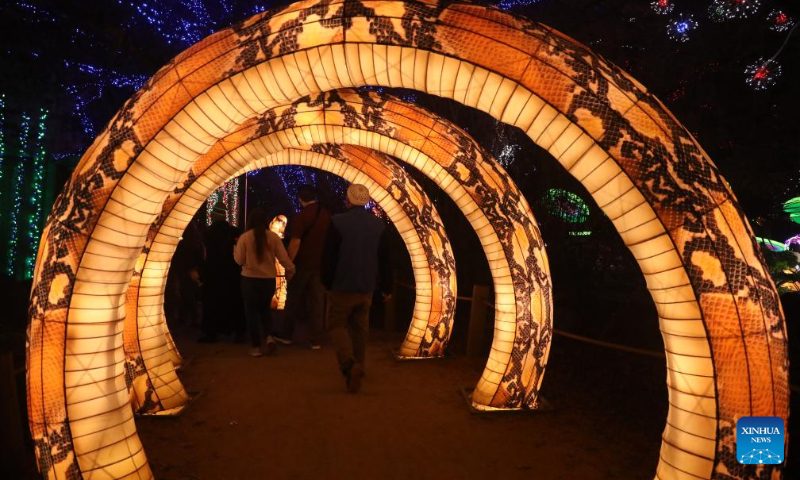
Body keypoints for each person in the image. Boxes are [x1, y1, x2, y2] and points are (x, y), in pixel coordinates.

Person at [321, 184, 393, 393]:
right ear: (367, 201)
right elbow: (385, 259)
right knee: (360, 329)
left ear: (348, 200)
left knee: (336, 325)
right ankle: (360, 366)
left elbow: (329, 257)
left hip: (342, 286)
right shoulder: (378, 226)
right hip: (367, 287)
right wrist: (387, 287)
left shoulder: (337, 223)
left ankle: (350, 365)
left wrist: (327, 281)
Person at [275, 185, 331, 349]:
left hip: (302, 264)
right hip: (320, 264)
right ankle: (316, 339)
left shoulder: (301, 217)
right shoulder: (326, 215)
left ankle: (286, 334)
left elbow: (295, 243)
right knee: (317, 301)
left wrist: (289, 263)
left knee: (293, 299)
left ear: (300, 199)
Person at [234, 207, 295, 357]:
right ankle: (269, 337)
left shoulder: (245, 237)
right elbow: (283, 257)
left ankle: (255, 346)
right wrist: (291, 269)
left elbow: (239, 260)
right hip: (268, 280)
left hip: (249, 279)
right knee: (265, 310)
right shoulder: (273, 238)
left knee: (251, 312)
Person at [199, 204, 244, 343]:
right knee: (233, 301)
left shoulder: (208, 232)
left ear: (213, 216)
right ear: (225, 215)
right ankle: (237, 331)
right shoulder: (234, 232)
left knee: (212, 303)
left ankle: (212, 332)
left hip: (213, 272)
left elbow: (204, 254)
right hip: (231, 271)